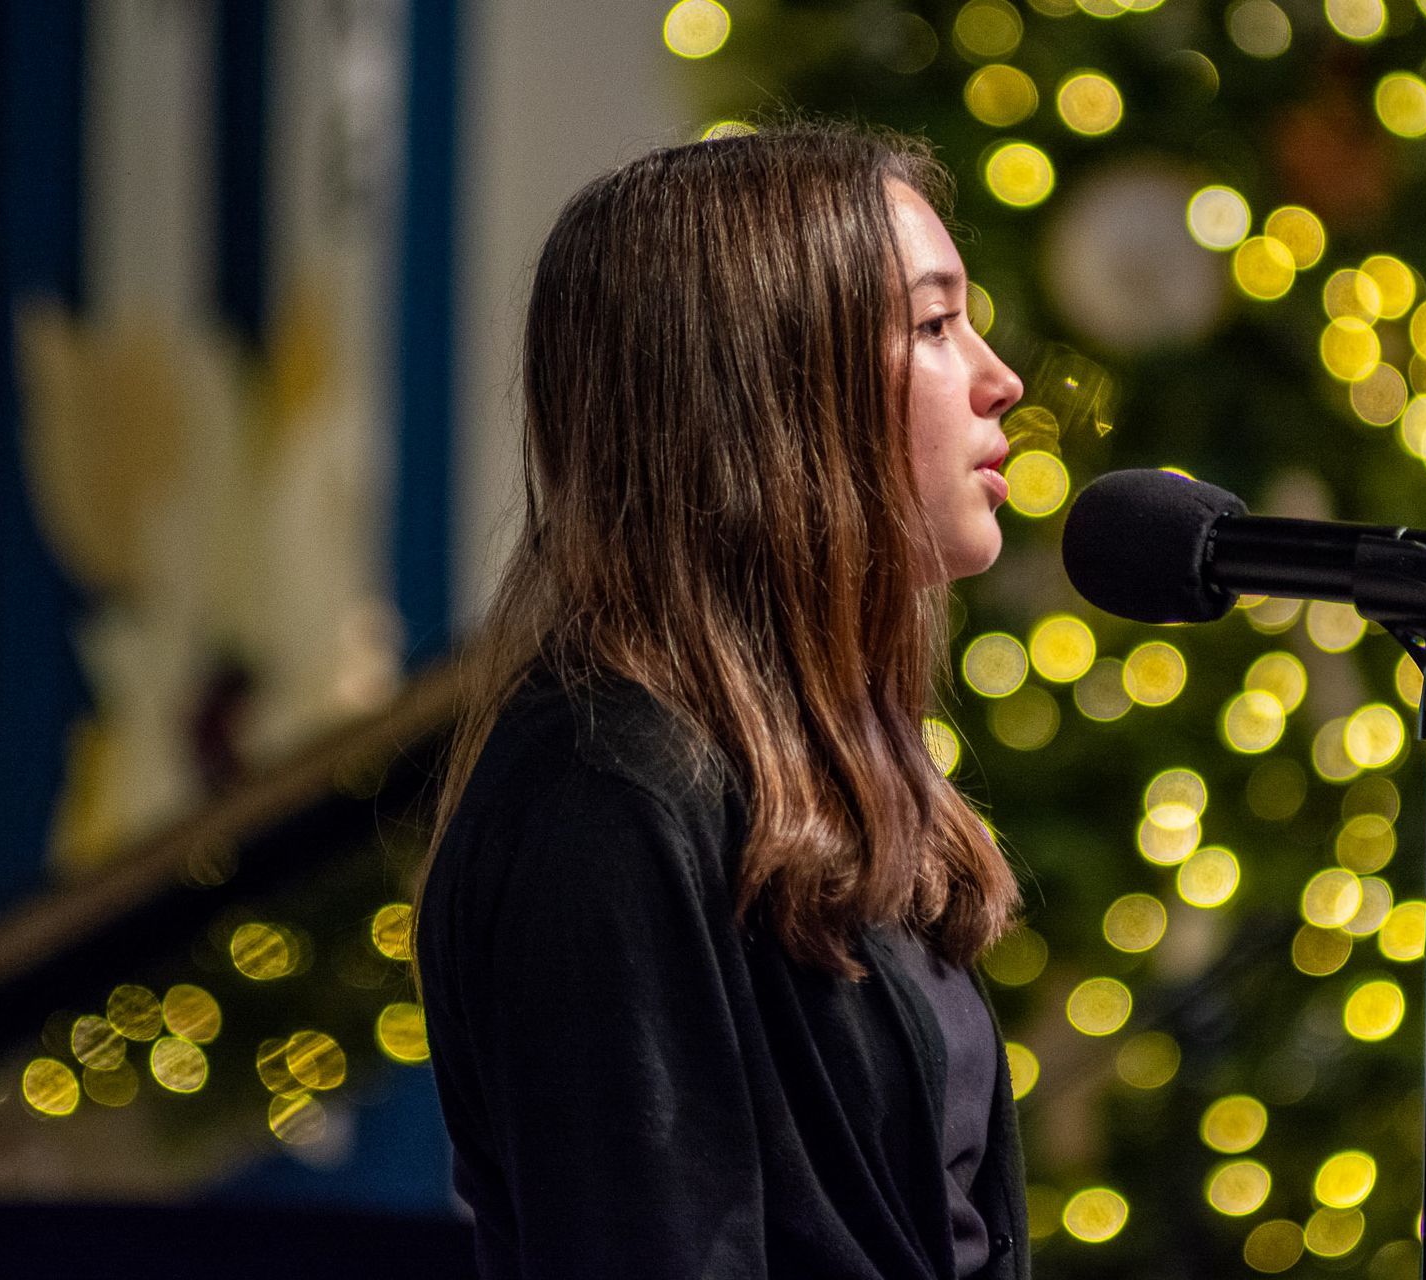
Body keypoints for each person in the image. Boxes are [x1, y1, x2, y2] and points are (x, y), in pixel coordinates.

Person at [414, 123, 1032, 1280]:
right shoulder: (606, 797)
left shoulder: (823, 768)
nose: (1002, 379)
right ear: (776, 385)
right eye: (939, 324)